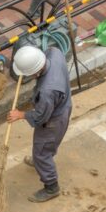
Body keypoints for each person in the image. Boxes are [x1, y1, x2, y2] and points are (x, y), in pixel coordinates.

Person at [7, 45, 71, 202]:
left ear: (35, 72)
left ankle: (51, 187)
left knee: (42, 152)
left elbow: (41, 117)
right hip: (64, 106)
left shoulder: (47, 91)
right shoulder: (54, 53)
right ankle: (40, 162)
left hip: (53, 120)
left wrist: (20, 114)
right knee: (47, 146)